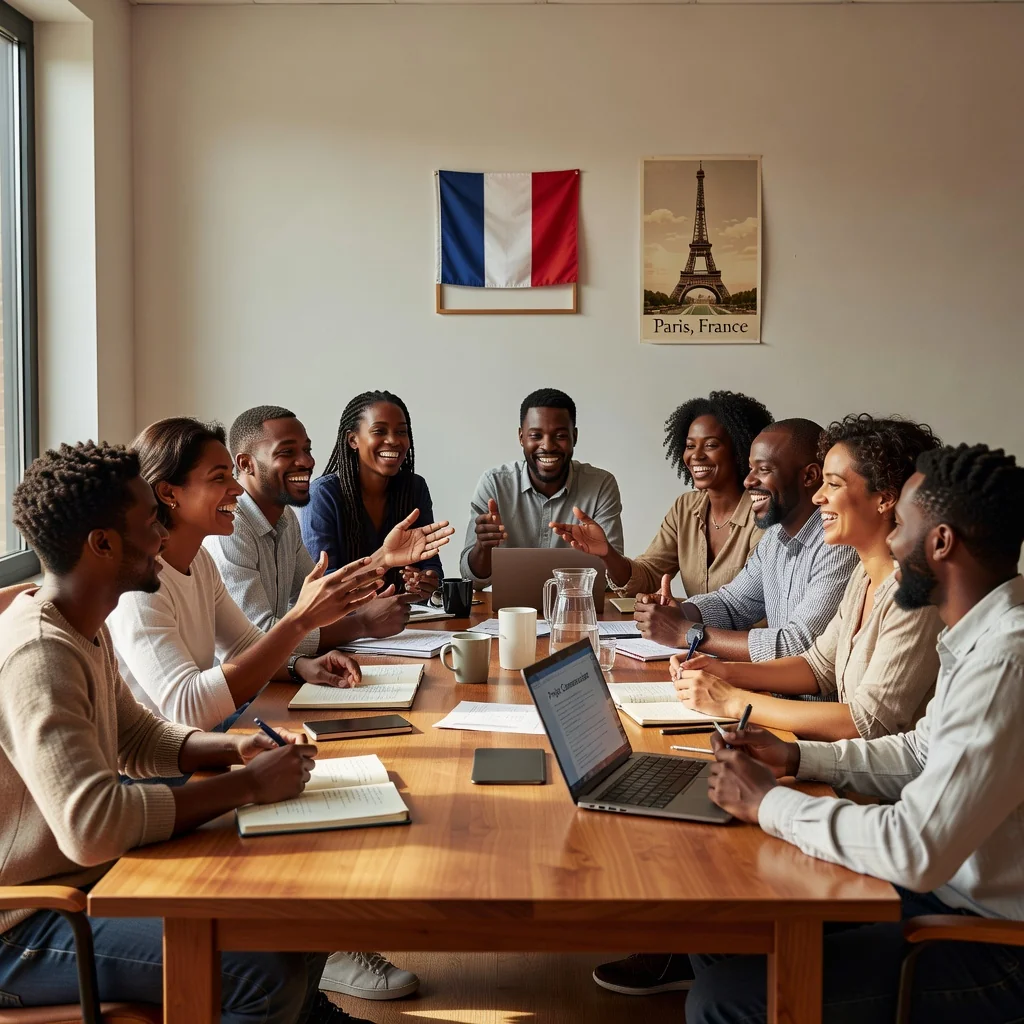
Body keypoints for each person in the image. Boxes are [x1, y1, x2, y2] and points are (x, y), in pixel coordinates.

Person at [0, 441, 370, 1024]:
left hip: (86, 881)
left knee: (294, 904)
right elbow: (91, 827)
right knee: (261, 974)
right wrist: (246, 785)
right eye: (151, 522)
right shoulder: (42, 653)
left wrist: (235, 747)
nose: (162, 535)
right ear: (103, 544)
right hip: (27, 924)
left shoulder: (82, 622)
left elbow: (139, 739)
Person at [688, 443, 1024, 1024]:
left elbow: (914, 849)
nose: (892, 543)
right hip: (944, 894)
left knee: (723, 1001)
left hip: (989, 942)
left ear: (940, 543)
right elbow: (922, 750)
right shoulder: (982, 634)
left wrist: (770, 802)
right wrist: (795, 758)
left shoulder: (1006, 660)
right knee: (722, 916)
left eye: (904, 527)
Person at [670, 415, 944, 742]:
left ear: (884, 499)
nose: (818, 497)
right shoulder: (863, 575)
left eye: (834, 484)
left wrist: (731, 700)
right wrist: (724, 672)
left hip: (885, 788)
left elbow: (867, 723)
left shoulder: (915, 595)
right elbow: (816, 667)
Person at [107, 418, 382, 731]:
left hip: (202, 741)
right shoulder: (137, 587)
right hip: (160, 767)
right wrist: (300, 620)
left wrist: (300, 666)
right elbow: (187, 709)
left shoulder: (199, 561)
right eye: (219, 477)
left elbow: (245, 647)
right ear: (170, 493)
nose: (237, 488)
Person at [207, 405, 454, 657]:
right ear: (246, 463)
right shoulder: (231, 528)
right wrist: (361, 624)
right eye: (287, 452)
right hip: (247, 692)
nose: (307, 461)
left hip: (281, 671)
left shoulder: (285, 518)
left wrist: (385, 557)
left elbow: (319, 599)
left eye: (306, 450)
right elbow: (256, 640)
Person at [634, 418, 859, 662]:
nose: (748, 481)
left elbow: (798, 645)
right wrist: (681, 612)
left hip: (807, 700)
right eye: (751, 468)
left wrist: (687, 633)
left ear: (809, 476)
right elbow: (733, 604)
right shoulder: (774, 536)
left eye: (763, 470)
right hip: (768, 691)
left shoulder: (840, 545)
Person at [550, 390, 772, 598]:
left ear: (742, 450)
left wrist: (681, 614)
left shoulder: (763, 513)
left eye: (711, 445)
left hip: (746, 639)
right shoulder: (685, 508)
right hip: (692, 636)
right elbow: (648, 575)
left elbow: (745, 603)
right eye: (690, 446)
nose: (696, 456)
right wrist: (607, 554)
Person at [460, 388, 624, 588]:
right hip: (510, 614)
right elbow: (473, 582)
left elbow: (618, 581)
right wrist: (483, 547)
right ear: (521, 437)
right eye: (536, 435)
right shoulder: (494, 483)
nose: (547, 446)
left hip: (577, 610)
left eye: (560, 435)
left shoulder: (601, 486)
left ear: (575, 437)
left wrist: (606, 553)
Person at [301, 391, 444, 600]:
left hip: (407, 620)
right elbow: (324, 586)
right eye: (379, 431)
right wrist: (384, 561)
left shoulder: (415, 487)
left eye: (402, 432)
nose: (394, 440)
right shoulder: (323, 495)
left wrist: (425, 579)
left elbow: (430, 562)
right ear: (352, 440)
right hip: (347, 625)